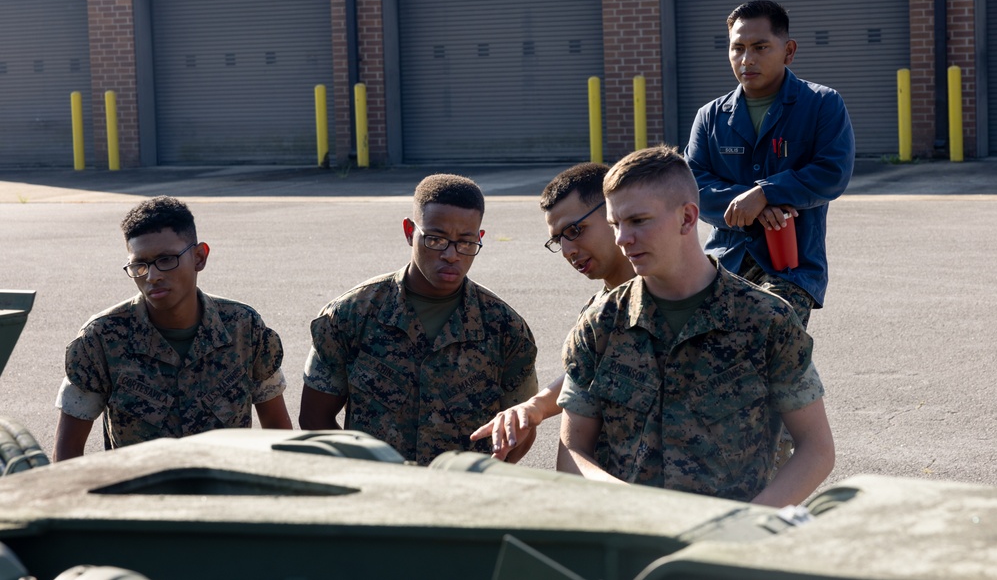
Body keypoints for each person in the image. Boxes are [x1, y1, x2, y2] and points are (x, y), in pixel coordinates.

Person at [557, 146, 834, 507]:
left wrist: (745, 523)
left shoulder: (765, 320)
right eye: (615, 224)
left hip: (729, 548)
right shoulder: (601, 323)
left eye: (638, 221)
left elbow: (816, 448)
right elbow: (572, 451)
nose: (622, 239)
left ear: (687, 219)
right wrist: (629, 504)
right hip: (628, 541)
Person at [299, 173, 538, 465]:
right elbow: (314, 417)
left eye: (466, 242)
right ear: (409, 231)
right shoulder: (350, 315)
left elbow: (521, 429)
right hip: (377, 497)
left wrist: (481, 481)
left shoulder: (505, 328)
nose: (452, 255)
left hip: (465, 500)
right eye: (435, 239)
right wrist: (361, 474)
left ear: (479, 238)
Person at [53, 196, 292, 460]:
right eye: (139, 265)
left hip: (225, 496)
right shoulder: (100, 340)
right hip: (140, 498)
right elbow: (68, 452)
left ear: (199, 257)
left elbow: (277, 431)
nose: (152, 276)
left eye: (166, 259)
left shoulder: (244, 328)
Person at [684, 0, 855, 327]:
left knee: (769, 337)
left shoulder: (821, 104)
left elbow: (831, 173)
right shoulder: (711, 116)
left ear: (788, 51)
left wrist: (766, 192)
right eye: (738, 48)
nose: (747, 59)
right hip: (725, 262)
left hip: (791, 267)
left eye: (761, 47)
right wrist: (755, 204)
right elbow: (691, 188)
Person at [470, 162, 635, 461]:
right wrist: (534, 408)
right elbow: (583, 374)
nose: (569, 250)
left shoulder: (670, 294)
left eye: (576, 230)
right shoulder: (599, 308)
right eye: (559, 239)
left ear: (614, 214)